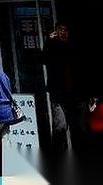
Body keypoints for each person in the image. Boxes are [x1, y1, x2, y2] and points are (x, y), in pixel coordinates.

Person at [40, 23, 76, 153]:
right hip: (58, 93)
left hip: (74, 93)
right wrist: (49, 42)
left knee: (77, 126)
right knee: (60, 126)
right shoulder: (53, 46)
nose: (63, 33)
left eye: (66, 30)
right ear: (56, 32)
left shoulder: (72, 47)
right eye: (60, 30)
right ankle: (58, 154)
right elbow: (44, 59)